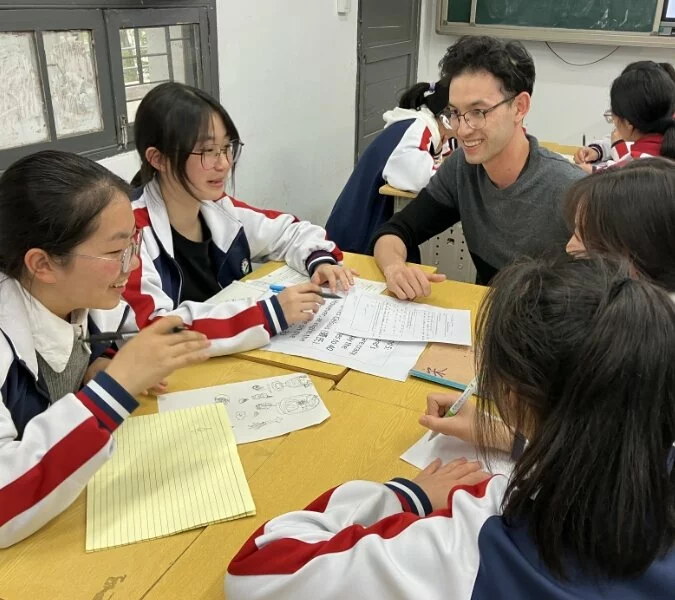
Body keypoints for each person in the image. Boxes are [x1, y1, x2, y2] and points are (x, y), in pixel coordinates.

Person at [226, 253, 675, 598]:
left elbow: (257, 570)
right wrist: (509, 436)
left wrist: (409, 496)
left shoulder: (478, 540)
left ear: (514, 398)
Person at [0, 151, 211, 547]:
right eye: (115, 253)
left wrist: (101, 365)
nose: (132, 266)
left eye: (134, 243)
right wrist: (111, 392)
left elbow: (126, 335)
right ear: (42, 264)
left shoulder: (86, 298)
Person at [420, 157, 675, 457]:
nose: (570, 247)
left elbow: (607, 476)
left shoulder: (645, 358)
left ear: (635, 259)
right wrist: (502, 434)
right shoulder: (641, 331)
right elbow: (589, 456)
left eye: (586, 238)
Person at [123, 82, 355, 355]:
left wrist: (320, 261)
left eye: (226, 148)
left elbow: (291, 231)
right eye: (207, 151)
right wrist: (268, 315)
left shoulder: (218, 208)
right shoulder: (129, 232)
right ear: (158, 159)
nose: (223, 164)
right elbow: (152, 331)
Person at [372, 35, 585, 297]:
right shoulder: (463, 168)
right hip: (489, 317)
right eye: (454, 113)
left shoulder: (570, 190)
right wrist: (395, 268)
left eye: (478, 112)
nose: (462, 129)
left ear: (519, 107)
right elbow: (396, 231)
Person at [325, 80, 456, 254]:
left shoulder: (431, 130)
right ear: (446, 117)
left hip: (367, 231)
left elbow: (443, 156)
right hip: (358, 239)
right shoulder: (417, 128)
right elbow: (420, 178)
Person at [574, 61, 675, 168]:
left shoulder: (640, 163)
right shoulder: (663, 129)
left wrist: (617, 147)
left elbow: (629, 169)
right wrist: (598, 150)